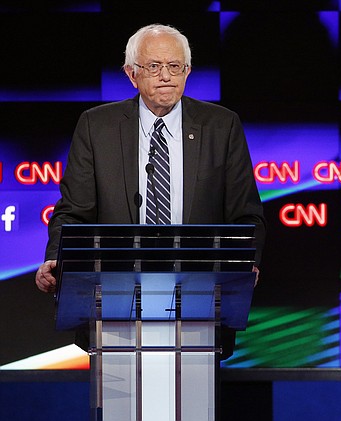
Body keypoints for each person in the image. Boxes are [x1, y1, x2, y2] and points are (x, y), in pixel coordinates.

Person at [34, 23, 266, 359]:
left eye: (175, 66)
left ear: (187, 71)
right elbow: (73, 210)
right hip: (115, 299)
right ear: (131, 74)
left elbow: (247, 213)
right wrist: (56, 257)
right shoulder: (97, 126)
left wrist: (245, 263)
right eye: (154, 66)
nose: (166, 76)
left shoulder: (221, 125)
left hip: (198, 298)